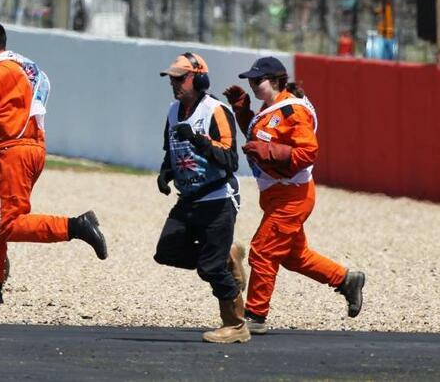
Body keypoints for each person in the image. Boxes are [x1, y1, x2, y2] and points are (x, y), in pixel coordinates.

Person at [0, 21, 107, 304]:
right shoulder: (22, 65)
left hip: (12, 151)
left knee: (8, 223)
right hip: (22, 147)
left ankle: (76, 226)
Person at [223, 56, 365, 334]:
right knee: (293, 256)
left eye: (257, 80)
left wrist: (269, 153)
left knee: (263, 250)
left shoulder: (293, 111)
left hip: (292, 197)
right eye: (250, 80)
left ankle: (256, 316)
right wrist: (243, 112)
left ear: (275, 81)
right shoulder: (272, 107)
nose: (252, 84)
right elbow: (263, 137)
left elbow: (307, 152)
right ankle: (347, 280)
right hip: (279, 195)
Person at [153, 52, 249, 344]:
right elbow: (171, 150)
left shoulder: (215, 111)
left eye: (180, 78)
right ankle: (226, 256)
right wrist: (166, 172)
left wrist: (197, 138)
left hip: (218, 198)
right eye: (172, 78)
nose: (174, 83)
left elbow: (230, 160)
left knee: (210, 267)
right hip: (189, 199)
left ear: (199, 79)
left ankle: (235, 324)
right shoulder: (173, 112)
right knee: (167, 251)